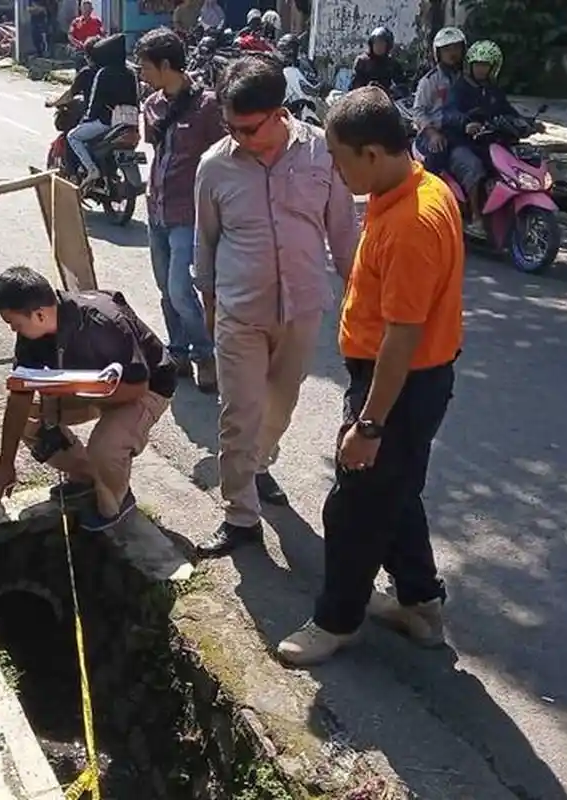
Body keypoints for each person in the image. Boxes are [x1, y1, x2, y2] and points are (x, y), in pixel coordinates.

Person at [277, 87, 464, 666]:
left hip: (399, 385)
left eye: (340, 158)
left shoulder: (413, 221)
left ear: (375, 152)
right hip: (403, 378)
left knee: (352, 506)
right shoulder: (409, 186)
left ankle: (337, 621)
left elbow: (402, 338)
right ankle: (420, 604)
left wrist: (370, 423)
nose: (334, 169)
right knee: (397, 493)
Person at [193, 57, 359, 557]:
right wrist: (209, 306)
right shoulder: (215, 165)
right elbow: (206, 243)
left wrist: (361, 294)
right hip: (239, 311)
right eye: (231, 128)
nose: (240, 137)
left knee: (280, 406)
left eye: (249, 127)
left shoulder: (320, 155)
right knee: (238, 412)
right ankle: (241, 516)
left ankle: (260, 463)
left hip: (302, 308)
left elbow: (344, 232)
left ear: (279, 113)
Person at [0, 267, 177, 531]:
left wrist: (73, 388)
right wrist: (5, 464)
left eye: (14, 323)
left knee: (105, 446)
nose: (13, 330)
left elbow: (137, 387)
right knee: (31, 423)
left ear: (39, 314)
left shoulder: (102, 321)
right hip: (89, 389)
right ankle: (87, 479)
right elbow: (19, 398)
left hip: (145, 388)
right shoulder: (31, 336)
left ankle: (115, 505)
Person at [138, 27, 225, 393]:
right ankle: (178, 352)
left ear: (166, 65)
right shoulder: (152, 103)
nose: (141, 73)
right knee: (164, 288)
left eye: (146, 66)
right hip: (155, 207)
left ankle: (205, 355)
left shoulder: (207, 106)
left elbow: (225, 158)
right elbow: (155, 152)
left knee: (179, 289)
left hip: (188, 214)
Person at [441, 39, 527, 218]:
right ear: (470, 65)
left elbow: (508, 111)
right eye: (478, 65)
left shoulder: (493, 90)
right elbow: (449, 113)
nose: (481, 69)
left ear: (493, 68)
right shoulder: (459, 87)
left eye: (485, 65)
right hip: (461, 144)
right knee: (474, 168)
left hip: (488, 143)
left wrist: (527, 123)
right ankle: (476, 216)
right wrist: (466, 124)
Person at [63, 33, 139, 188]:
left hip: (106, 123)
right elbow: (137, 99)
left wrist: (87, 118)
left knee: (73, 136)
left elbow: (95, 102)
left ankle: (92, 170)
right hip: (129, 123)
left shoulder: (103, 73)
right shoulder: (131, 73)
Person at [411, 26, 465, 174]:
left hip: (461, 133)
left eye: (456, 48)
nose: (452, 53)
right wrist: (432, 133)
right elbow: (418, 111)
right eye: (447, 49)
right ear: (438, 53)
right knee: (436, 160)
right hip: (434, 133)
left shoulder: (467, 78)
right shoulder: (430, 80)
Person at [350, 26, 406, 93]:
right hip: (364, 97)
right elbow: (355, 87)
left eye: (382, 43)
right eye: (376, 42)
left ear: (388, 45)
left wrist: (392, 91)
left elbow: (401, 86)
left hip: (386, 98)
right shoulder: (362, 62)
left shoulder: (392, 64)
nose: (378, 46)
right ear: (371, 44)